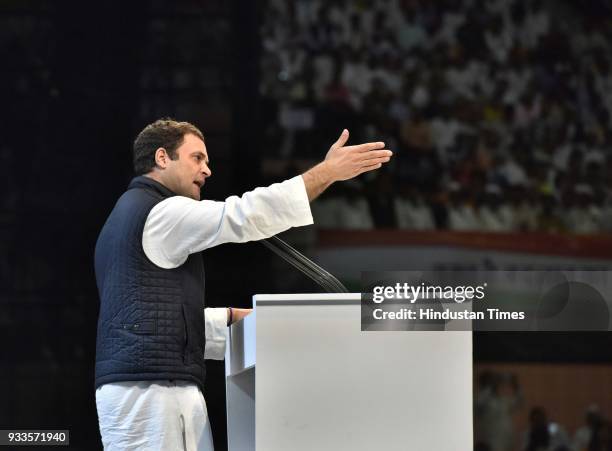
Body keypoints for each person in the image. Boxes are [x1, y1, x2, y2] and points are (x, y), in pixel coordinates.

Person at [93, 118, 392, 450]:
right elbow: (243, 216)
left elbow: (151, 321)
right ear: (162, 158)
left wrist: (236, 320)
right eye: (197, 158)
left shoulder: (130, 216)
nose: (207, 170)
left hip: (147, 392)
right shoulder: (161, 213)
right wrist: (327, 173)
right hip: (152, 393)